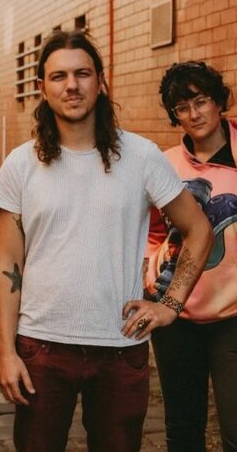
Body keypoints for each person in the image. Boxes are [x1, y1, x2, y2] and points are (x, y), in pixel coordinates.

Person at [0, 30, 213, 452]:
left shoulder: (142, 156)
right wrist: (6, 349)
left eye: (81, 74)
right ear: (42, 88)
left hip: (119, 348)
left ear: (100, 81)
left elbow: (198, 229)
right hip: (41, 347)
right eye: (58, 77)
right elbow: (7, 262)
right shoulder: (21, 164)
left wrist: (169, 305)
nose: (71, 85)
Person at [145, 60, 237, 452]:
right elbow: (151, 231)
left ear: (218, 101)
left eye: (200, 101)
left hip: (233, 315)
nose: (193, 114)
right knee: (183, 429)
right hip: (175, 314)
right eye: (182, 107)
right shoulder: (164, 164)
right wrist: (151, 275)